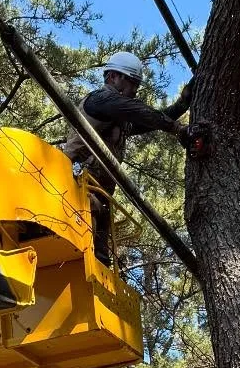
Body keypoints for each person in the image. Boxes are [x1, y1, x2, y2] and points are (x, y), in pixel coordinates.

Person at [63, 51, 192, 263]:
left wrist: (181, 105)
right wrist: (177, 128)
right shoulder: (100, 100)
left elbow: (147, 121)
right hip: (77, 186)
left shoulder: (117, 119)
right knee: (83, 251)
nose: (134, 90)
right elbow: (139, 111)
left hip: (98, 195)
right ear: (112, 76)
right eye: (131, 82)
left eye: (136, 85)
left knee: (100, 259)